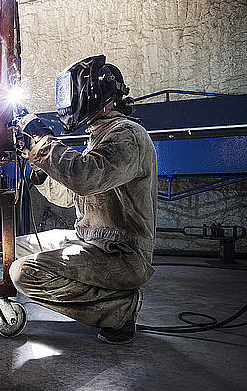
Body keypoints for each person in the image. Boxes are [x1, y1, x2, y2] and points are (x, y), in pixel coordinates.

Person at [9, 55, 157, 344]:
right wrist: (39, 168)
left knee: (23, 272)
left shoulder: (128, 136)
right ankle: (111, 299)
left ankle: (119, 309)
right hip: (88, 239)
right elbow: (70, 195)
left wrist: (42, 139)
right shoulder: (98, 138)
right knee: (11, 248)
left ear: (96, 94)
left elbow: (85, 177)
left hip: (121, 254)